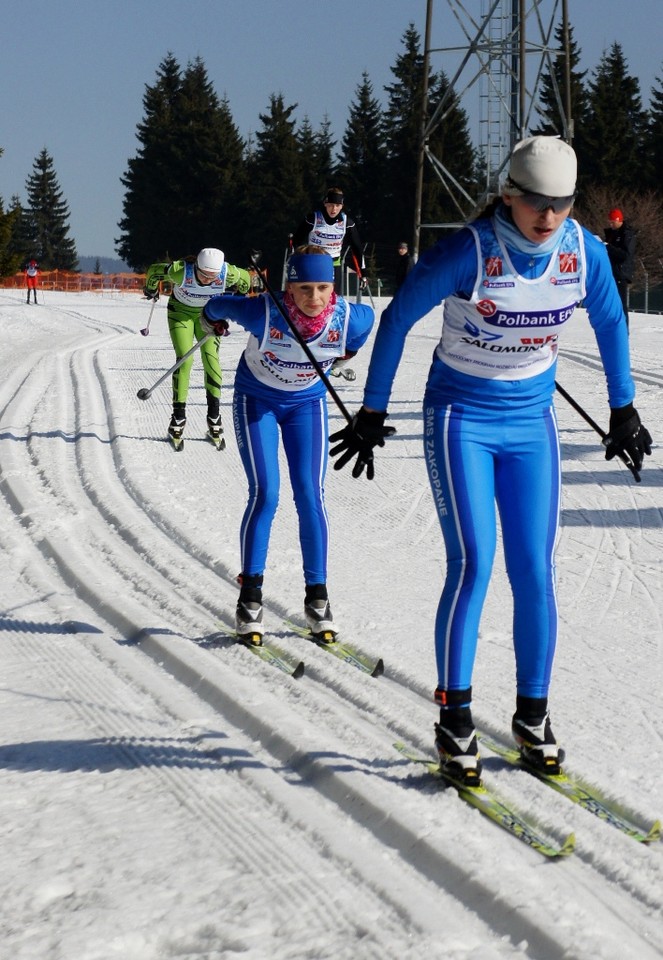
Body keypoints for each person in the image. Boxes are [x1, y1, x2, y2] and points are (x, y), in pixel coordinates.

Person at [329, 136, 652, 785]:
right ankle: (454, 719)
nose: (548, 215)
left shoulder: (579, 253)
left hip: (530, 421)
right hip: (461, 418)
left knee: (535, 567)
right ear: (509, 194)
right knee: (473, 562)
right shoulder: (468, 253)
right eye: (536, 201)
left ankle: (531, 715)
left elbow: (611, 320)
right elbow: (395, 322)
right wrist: (370, 410)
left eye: (560, 203)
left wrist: (623, 408)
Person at [200, 246, 375, 641]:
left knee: (311, 495)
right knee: (267, 494)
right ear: (289, 287)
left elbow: (367, 325)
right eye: (304, 288)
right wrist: (213, 322)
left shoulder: (350, 317)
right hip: (257, 400)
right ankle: (250, 598)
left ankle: (318, 597)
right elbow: (216, 306)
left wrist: (345, 354)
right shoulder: (262, 311)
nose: (315, 299)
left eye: (323, 288)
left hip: (306, 404)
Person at [143, 248, 251, 447]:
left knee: (211, 358)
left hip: (210, 315)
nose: (209, 279)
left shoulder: (227, 272)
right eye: (204, 275)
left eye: (214, 276)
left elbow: (245, 278)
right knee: (185, 358)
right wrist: (150, 288)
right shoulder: (181, 271)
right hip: (181, 313)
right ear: (197, 268)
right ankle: (178, 417)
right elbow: (154, 271)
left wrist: (239, 296)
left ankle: (214, 416)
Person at [292, 187, 366, 294]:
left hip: (334, 264)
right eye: (331, 205)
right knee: (314, 296)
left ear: (342, 206)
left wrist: (363, 274)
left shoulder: (347, 223)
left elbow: (358, 249)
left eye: (337, 205)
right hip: (314, 261)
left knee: (334, 300)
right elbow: (296, 241)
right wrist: (298, 262)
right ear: (325, 203)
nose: (334, 209)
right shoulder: (313, 219)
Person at [604, 209, 636, 330]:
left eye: (613, 222)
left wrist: (608, 247)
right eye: (609, 222)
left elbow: (625, 255)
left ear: (618, 220)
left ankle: (623, 332)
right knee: (610, 304)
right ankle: (613, 330)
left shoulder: (627, 234)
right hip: (611, 272)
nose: (610, 225)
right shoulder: (612, 234)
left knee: (621, 305)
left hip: (620, 274)